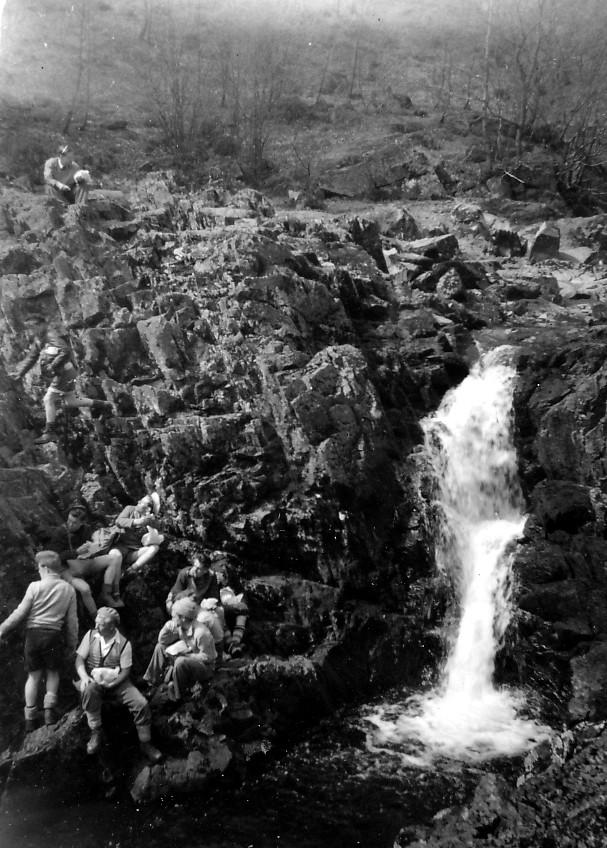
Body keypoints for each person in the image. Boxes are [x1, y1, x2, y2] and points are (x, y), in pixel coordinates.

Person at [0, 550, 78, 731]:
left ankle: (30, 719)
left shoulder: (34, 586)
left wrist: (2, 628)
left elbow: (20, 613)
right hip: (53, 636)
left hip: (33, 635)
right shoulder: (68, 589)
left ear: (44, 567)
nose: (37, 570)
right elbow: (72, 622)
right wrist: (72, 643)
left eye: (38, 567)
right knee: (52, 673)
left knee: (33, 676)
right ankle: (49, 711)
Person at [75, 607, 162, 763]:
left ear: (111, 626)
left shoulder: (123, 644)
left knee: (140, 703)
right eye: (96, 623)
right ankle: (96, 731)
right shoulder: (90, 636)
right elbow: (79, 660)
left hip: (117, 682)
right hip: (93, 679)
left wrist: (113, 683)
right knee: (88, 689)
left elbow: (125, 671)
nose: (96, 627)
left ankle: (145, 743)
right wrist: (84, 676)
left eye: (100, 625)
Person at [11, 314, 111, 444]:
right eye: (28, 328)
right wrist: (20, 373)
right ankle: (104, 405)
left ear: (41, 325)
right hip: (66, 373)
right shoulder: (39, 339)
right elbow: (32, 357)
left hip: (64, 372)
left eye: (32, 327)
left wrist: (53, 366)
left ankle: (49, 433)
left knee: (48, 399)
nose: (31, 330)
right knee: (71, 401)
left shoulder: (50, 335)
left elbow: (65, 350)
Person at [47, 500, 124, 612]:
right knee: (85, 589)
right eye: (69, 521)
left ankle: (106, 593)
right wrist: (76, 552)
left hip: (86, 562)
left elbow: (90, 546)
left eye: (74, 523)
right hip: (70, 569)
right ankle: (94, 615)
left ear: (82, 523)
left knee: (115, 557)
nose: (70, 525)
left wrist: (94, 548)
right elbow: (56, 557)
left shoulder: (86, 529)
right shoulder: (60, 532)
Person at [143, 597, 216, 701]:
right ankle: (153, 682)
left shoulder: (201, 633)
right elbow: (162, 641)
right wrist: (167, 627)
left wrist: (186, 655)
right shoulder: (181, 627)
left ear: (183, 618)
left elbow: (208, 657)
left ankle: (178, 696)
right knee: (160, 647)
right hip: (189, 656)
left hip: (205, 667)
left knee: (180, 661)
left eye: (174, 617)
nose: (172, 619)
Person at [115, 493, 162, 573]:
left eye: (142, 502)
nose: (138, 501)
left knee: (155, 548)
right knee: (115, 558)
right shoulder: (130, 509)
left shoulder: (150, 520)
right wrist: (135, 522)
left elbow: (159, 528)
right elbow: (118, 522)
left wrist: (151, 522)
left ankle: (132, 570)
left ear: (148, 509)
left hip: (134, 553)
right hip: (120, 547)